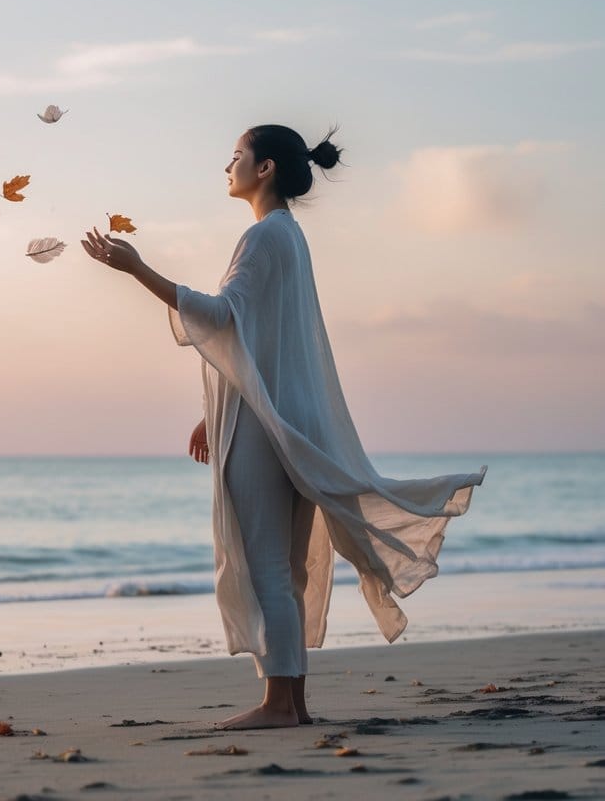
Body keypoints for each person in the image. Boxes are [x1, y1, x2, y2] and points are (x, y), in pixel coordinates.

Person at [79, 124, 487, 731]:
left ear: (265, 168)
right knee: (285, 565)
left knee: (265, 561)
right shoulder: (289, 236)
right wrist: (211, 409)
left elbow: (222, 317)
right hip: (286, 417)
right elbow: (267, 340)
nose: (229, 165)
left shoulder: (264, 236)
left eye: (237, 155)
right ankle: (291, 703)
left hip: (266, 427)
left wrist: (137, 269)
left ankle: (277, 704)